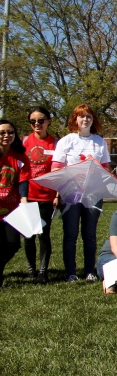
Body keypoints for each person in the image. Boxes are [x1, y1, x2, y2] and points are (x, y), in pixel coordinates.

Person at [52, 104, 111, 283]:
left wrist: (96, 166)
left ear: (93, 120)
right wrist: (58, 194)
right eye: (81, 116)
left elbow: (106, 169)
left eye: (89, 117)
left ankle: (89, 270)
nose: (85, 120)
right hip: (70, 194)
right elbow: (56, 168)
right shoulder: (66, 141)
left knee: (90, 234)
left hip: (93, 195)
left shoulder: (100, 142)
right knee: (70, 234)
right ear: (75, 119)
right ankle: (70, 272)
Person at [21, 106, 56, 283]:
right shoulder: (23, 142)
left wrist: (57, 195)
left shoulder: (55, 143)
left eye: (41, 120)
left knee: (43, 234)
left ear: (48, 121)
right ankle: (31, 270)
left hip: (46, 197)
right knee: (28, 235)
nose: (37, 124)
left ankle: (43, 271)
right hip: (27, 196)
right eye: (33, 121)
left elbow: (59, 171)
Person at [0, 120, 31, 289]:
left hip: (11, 210)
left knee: (13, 244)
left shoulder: (20, 155)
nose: (7, 136)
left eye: (10, 132)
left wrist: (24, 199)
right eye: (2, 133)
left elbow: (23, 180)